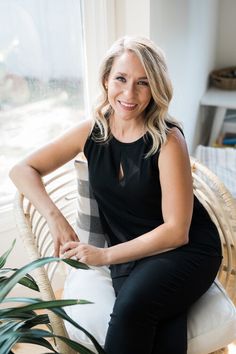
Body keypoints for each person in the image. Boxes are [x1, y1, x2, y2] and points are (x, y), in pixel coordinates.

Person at [10, 36, 222, 354]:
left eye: (143, 83)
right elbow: (22, 169)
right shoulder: (91, 132)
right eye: (121, 79)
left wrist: (105, 256)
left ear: (156, 89)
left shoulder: (168, 140)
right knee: (157, 325)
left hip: (185, 251)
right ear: (106, 79)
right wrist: (56, 220)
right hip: (133, 255)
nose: (129, 94)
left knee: (131, 308)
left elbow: (177, 232)